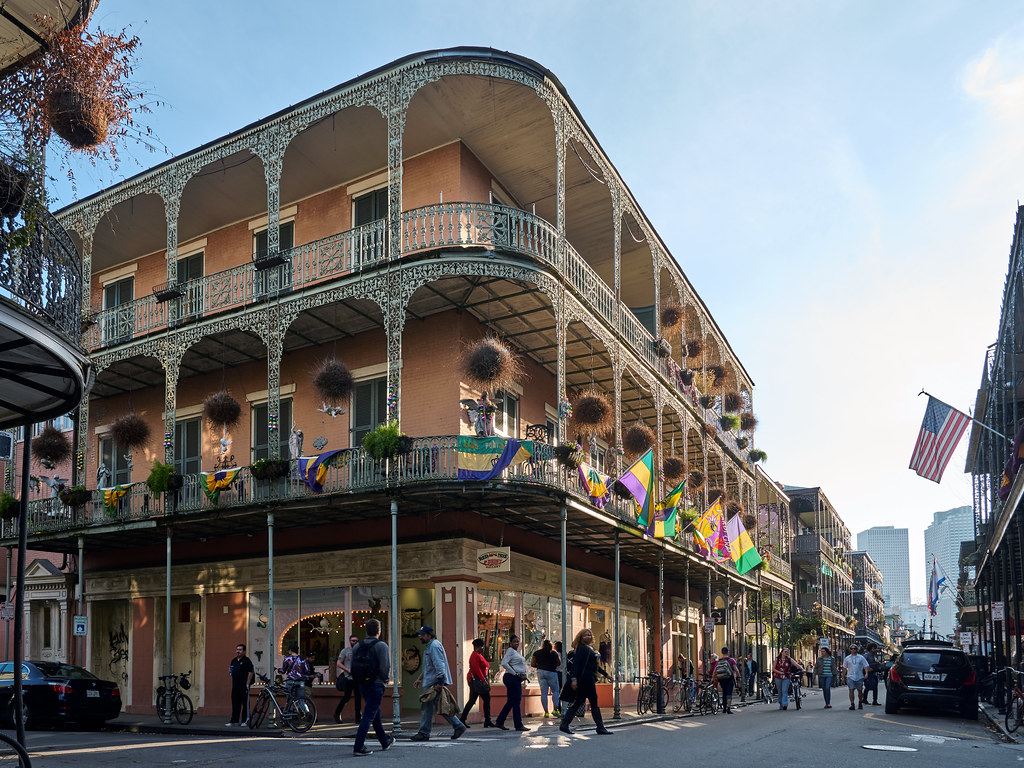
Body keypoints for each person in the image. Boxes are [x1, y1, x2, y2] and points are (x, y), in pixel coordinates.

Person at [412, 625, 466, 741]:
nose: (420, 637)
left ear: (429, 635)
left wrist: (440, 683)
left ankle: (424, 732)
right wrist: (419, 678)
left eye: (422, 635)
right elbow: (429, 667)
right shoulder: (430, 646)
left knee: (431, 708)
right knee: (438, 707)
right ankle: (458, 726)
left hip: (434, 684)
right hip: (432, 682)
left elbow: (439, 665)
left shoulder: (434, 646)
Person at [352, 618, 396, 756]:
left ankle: (384, 741)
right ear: (379, 631)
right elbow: (385, 667)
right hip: (376, 684)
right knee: (368, 716)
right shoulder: (381, 646)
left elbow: (353, 666)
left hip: (362, 685)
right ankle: (358, 746)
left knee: (374, 713)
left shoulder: (357, 647)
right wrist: (385, 681)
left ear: (366, 631)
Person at [559, 628, 613, 735]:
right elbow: (576, 664)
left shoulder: (591, 648)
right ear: (581, 638)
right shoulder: (582, 648)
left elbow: (595, 666)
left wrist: (606, 675)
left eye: (589, 635)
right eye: (585, 635)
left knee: (579, 702)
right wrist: (574, 679)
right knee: (594, 702)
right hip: (585, 680)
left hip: (588, 679)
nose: (587, 637)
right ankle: (600, 727)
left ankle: (564, 724)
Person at [495, 634, 531, 731]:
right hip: (512, 678)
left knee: (511, 701)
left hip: (515, 678)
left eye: (518, 641)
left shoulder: (515, 652)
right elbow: (503, 663)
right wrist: (514, 673)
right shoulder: (510, 651)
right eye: (514, 641)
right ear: (510, 643)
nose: (516, 643)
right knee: (516, 701)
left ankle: (500, 721)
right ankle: (518, 725)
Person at [460, 637, 495, 727]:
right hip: (477, 680)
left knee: (473, 700)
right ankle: (487, 720)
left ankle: (462, 720)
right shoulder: (475, 656)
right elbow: (477, 669)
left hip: (478, 680)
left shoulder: (479, 655)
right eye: (481, 647)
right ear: (476, 647)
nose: (482, 648)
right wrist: (484, 680)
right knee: (484, 699)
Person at [334, 634, 362, 724]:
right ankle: (337, 714)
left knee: (358, 698)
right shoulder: (345, 651)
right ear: (350, 641)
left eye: (357, 641)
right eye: (353, 641)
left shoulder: (360, 651)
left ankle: (358, 718)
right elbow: (338, 663)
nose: (355, 642)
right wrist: (347, 669)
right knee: (347, 697)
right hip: (348, 678)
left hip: (358, 678)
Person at [226, 643, 254, 727]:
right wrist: (229, 671)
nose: (238, 651)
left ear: (244, 651)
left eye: (240, 650)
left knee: (245, 704)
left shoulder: (247, 661)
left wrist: (247, 684)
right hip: (235, 685)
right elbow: (231, 669)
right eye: (237, 649)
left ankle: (245, 721)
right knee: (235, 703)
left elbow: (250, 673)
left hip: (243, 685)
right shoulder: (234, 660)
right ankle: (234, 721)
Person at [532, 639, 562, 717]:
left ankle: (546, 712)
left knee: (544, 693)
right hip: (552, 672)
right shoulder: (554, 653)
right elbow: (558, 663)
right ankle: (555, 709)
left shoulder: (537, 653)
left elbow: (532, 664)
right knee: (555, 691)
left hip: (541, 672)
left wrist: (539, 666)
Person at [710, 647, 740, 714]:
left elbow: (715, 670)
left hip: (722, 679)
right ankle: (728, 708)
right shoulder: (731, 660)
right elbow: (736, 669)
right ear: (728, 652)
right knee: (729, 693)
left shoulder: (719, 661)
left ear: (722, 652)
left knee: (724, 692)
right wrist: (739, 677)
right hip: (729, 678)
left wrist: (712, 678)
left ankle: (724, 708)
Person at [842, 644, 870, 711]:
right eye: (852, 648)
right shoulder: (847, 658)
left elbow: (866, 665)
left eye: (854, 648)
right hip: (850, 676)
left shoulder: (861, 657)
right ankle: (852, 704)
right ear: (850, 650)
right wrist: (843, 677)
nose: (853, 650)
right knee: (851, 690)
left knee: (859, 691)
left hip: (859, 676)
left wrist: (866, 673)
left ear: (857, 649)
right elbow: (844, 668)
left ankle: (860, 702)